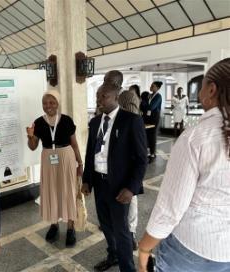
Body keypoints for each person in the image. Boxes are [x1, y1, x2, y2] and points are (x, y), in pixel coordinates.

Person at [138, 58, 230, 272]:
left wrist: (144, 249)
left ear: (211, 89)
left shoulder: (196, 138)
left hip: (192, 249)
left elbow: (171, 208)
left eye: (203, 84)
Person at [82, 70, 147, 272]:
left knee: (122, 230)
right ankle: (113, 255)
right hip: (100, 183)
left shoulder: (131, 120)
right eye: (97, 96)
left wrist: (131, 187)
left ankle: (127, 268)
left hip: (119, 186)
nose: (99, 100)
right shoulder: (94, 123)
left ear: (116, 98)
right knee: (106, 225)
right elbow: (90, 154)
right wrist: (87, 180)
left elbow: (141, 159)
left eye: (104, 96)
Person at [26, 90, 83, 247]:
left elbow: (75, 144)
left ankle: (70, 227)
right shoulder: (38, 122)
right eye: (45, 103)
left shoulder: (66, 120)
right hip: (48, 159)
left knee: (68, 191)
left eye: (52, 102)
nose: (48, 106)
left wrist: (80, 163)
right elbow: (32, 147)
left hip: (66, 156)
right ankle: (54, 224)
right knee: (51, 191)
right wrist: (30, 136)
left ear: (58, 104)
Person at [118, 84, 142, 250]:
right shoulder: (136, 117)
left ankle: (130, 233)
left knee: (131, 199)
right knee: (131, 200)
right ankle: (130, 232)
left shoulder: (130, 119)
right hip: (129, 168)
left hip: (130, 168)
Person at [146, 81, 163, 163]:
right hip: (148, 117)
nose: (151, 87)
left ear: (157, 88)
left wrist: (144, 104)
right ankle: (149, 152)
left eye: (153, 86)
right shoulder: (150, 95)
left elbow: (151, 107)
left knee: (152, 135)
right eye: (151, 85)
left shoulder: (158, 96)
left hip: (154, 118)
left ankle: (152, 154)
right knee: (148, 135)